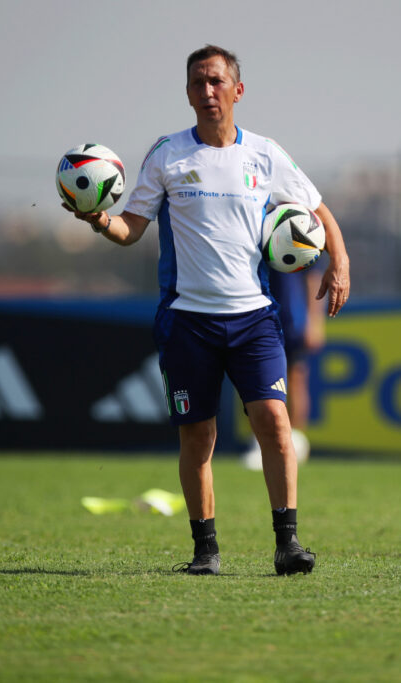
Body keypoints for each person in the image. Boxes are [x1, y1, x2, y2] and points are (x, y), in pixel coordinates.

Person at [65, 45, 350, 575]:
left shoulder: (264, 154)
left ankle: (288, 544)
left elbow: (316, 207)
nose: (207, 91)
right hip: (187, 322)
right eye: (198, 82)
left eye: (216, 81)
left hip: (253, 319)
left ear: (238, 90)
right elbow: (132, 229)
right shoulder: (168, 155)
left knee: (274, 423)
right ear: (188, 92)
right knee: (199, 436)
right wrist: (99, 221)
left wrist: (341, 259)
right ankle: (205, 553)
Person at [241, 263, 326, 471]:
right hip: (253, 313)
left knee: (295, 377)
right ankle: (261, 441)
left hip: (289, 316)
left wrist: (314, 321)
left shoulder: (296, 231)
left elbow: (313, 276)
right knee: (253, 379)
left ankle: (295, 439)